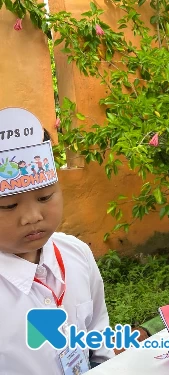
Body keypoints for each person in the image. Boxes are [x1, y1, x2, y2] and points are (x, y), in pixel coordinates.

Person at [0, 108, 114, 374]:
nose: (32, 217)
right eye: (8, 206)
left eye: (45, 197)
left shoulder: (76, 253)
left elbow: (98, 328)